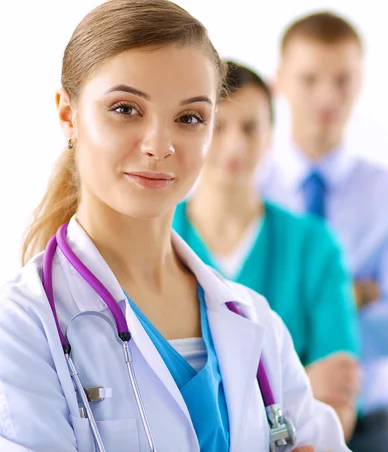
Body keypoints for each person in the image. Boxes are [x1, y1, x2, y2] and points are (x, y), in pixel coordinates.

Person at [0, 1, 349, 451]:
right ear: (69, 115)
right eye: (126, 109)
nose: (160, 146)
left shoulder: (252, 319)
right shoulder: (24, 328)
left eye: (189, 118)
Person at [259, 11, 388, 452]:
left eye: (342, 80)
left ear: (361, 83)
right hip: (267, 423)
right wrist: (350, 296)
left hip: (373, 426)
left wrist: (288, 319)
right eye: (309, 79)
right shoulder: (245, 189)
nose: (327, 96)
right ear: (279, 82)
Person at [172, 60, 361, 439]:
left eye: (250, 127)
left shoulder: (311, 244)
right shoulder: (156, 234)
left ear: (272, 133)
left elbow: (337, 400)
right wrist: (297, 387)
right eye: (217, 126)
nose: (235, 144)